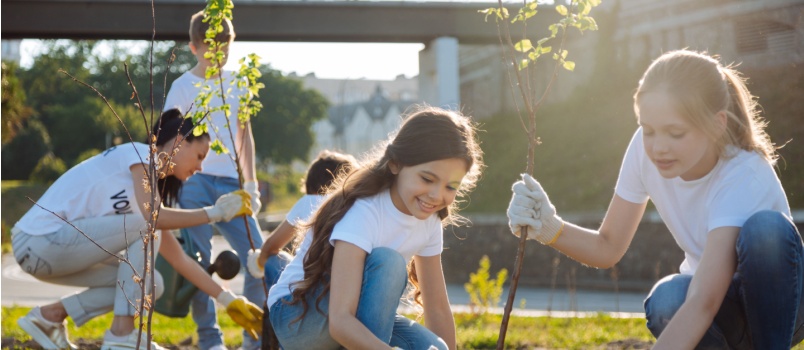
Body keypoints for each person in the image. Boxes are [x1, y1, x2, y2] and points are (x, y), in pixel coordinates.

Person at [507, 49, 804, 348]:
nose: (659, 147)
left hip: (785, 308)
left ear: (718, 124)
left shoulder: (742, 174)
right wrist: (549, 227)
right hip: (720, 307)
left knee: (766, 231)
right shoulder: (643, 151)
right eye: (648, 130)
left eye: (675, 133)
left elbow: (704, 301)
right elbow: (607, 247)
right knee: (667, 300)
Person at [12, 109, 263, 350]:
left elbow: (181, 261)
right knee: (147, 225)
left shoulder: (147, 198)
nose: (200, 168)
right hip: (37, 241)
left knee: (152, 284)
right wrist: (215, 213)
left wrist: (228, 299)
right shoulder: (140, 155)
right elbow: (154, 219)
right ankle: (122, 335)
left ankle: (49, 316)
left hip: (50, 255)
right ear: (179, 141)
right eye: (199, 156)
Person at [265, 107, 483, 350]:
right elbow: (340, 321)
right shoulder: (365, 211)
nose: (436, 195)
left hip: (350, 314)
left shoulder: (429, 220)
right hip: (297, 318)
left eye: (451, 186)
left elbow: (438, 309)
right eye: (427, 179)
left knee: (436, 348)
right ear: (395, 164)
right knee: (388, 261)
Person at [163, 9, 264, 350]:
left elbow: (244, 134)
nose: (217, 52)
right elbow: (170, 143)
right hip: (194, 183)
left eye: (224, 45)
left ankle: (256, 338)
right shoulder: (182, 87)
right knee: (200, 264)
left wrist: (250, 183)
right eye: (209, 46)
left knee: (259, 258)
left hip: (232, 185)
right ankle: (210, 341)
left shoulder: (239, 82)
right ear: (193, 47)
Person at [245, 150, 359, 291]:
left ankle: (272, 309)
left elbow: (271, 246)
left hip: (310, 289)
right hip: (346, 287)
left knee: (273, 260)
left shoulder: (310, 201)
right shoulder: (356, 206)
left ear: (313, 186)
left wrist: (258, 263)